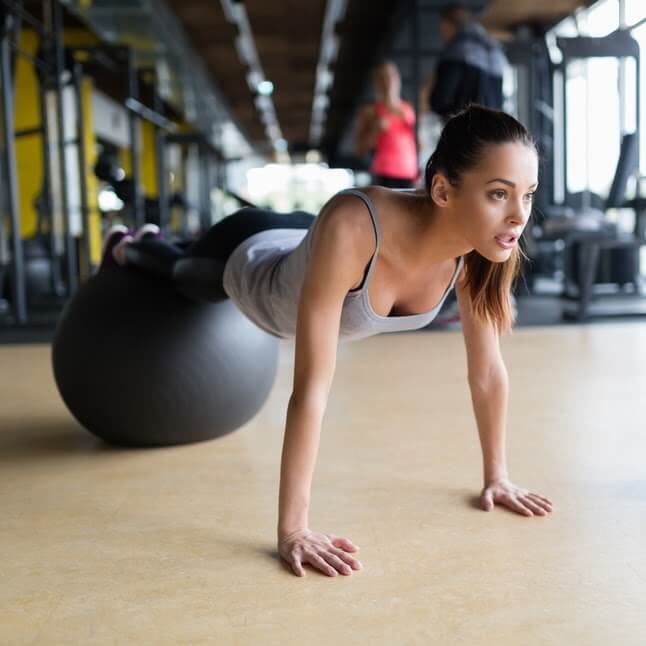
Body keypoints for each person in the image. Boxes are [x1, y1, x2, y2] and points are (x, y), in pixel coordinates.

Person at [101, 105, 554, 579]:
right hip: (250, 258)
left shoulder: (483, 247)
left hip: (305, 237)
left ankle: (149, 243)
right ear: (442, 189)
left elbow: (487, 372)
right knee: (182, 274)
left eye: (528, 194)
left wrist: (497, 477)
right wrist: (292, 531)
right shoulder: (357, 228)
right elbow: (311, 390)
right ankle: (130, 246)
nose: (519, 215)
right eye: (499, 194)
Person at [353, 61, 418, 189]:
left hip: (410, 173)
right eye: (382, 78)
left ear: (398, 78)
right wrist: (375, 130)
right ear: (376, 83)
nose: (388, 81)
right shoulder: (370, 112)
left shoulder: (409, 109)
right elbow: (358, 149)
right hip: (384, 174)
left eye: (391, 76)